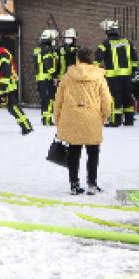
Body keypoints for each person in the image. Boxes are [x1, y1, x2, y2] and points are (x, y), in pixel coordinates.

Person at [54, 47, 111, 195]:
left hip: (71, 117)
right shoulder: (99, 76)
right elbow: (106, 100)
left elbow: (58, 100)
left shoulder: (67, 76)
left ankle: (74, 184)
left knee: (73, 151)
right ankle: (92, 184)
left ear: (78, 59)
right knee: (93, 152)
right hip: (92, 117)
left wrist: (58, 119)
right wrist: (104, 117)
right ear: (92, 60)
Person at [95, 20, 139, 126]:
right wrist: (133, 71)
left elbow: (97, 59)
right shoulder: (127, 41)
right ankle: (129, 120)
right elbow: (134, 58)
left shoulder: (105, 44)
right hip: (127, 76)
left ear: (107, 31)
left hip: (113, 76)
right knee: (127, 97)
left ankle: (116, 121)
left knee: (115, 98)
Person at [32, 29, 59, 126]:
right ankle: (47, 120)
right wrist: (54, 76)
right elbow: (49, 65)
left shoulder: (37, 49)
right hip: (47, 79)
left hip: (40, 78)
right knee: (49, 99)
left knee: (43, 99)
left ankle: (44, 118)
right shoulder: (47, 50)